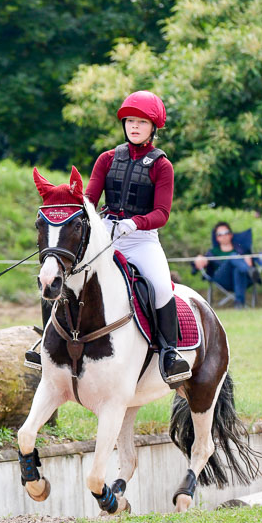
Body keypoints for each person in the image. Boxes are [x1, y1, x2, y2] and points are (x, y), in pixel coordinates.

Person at [84, 90, 191, 385]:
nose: (134, 126)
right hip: (107, 235)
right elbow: (90, 199)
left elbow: (162, 213)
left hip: (141, 239)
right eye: (130, 121)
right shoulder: (107, 159)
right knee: (67, 274)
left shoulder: (161, 166)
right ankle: (47, 343)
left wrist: (135, 222)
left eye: (141, 122)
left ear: (153, 128)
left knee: (160, 286)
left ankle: (169, 354)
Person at [194, 222, 258, 309]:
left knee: (238, 270)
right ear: (216, 238)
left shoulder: (241, 249)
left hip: (241, 280)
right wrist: (200, 258)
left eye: (226, 232)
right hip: (222, 280)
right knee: (233, 256)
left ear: (231, 235)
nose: (223, 236)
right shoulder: (213, 252)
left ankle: (239, 304)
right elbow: (200, 265)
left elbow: (250, 262)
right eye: (220, 234)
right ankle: (250, 271)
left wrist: (248, 261)